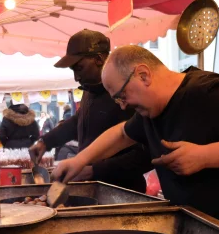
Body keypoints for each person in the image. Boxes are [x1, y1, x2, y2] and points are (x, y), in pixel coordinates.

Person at [54, 45, 219, 234]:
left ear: (143, 75)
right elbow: (121, 134)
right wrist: (79, 160)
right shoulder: (151, 112)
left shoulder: (209, 92)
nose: (121, 106)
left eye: (122, 95)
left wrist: (204, 156)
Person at [30, 30, 151, 193]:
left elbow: (145, 153)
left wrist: (95, 170)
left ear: (99, 59)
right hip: (94, 187)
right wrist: (47, 141)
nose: (76, 77)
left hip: (123, 191)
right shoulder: (90, 91)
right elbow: (77, 121)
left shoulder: (126, 93)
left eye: (79, 68)